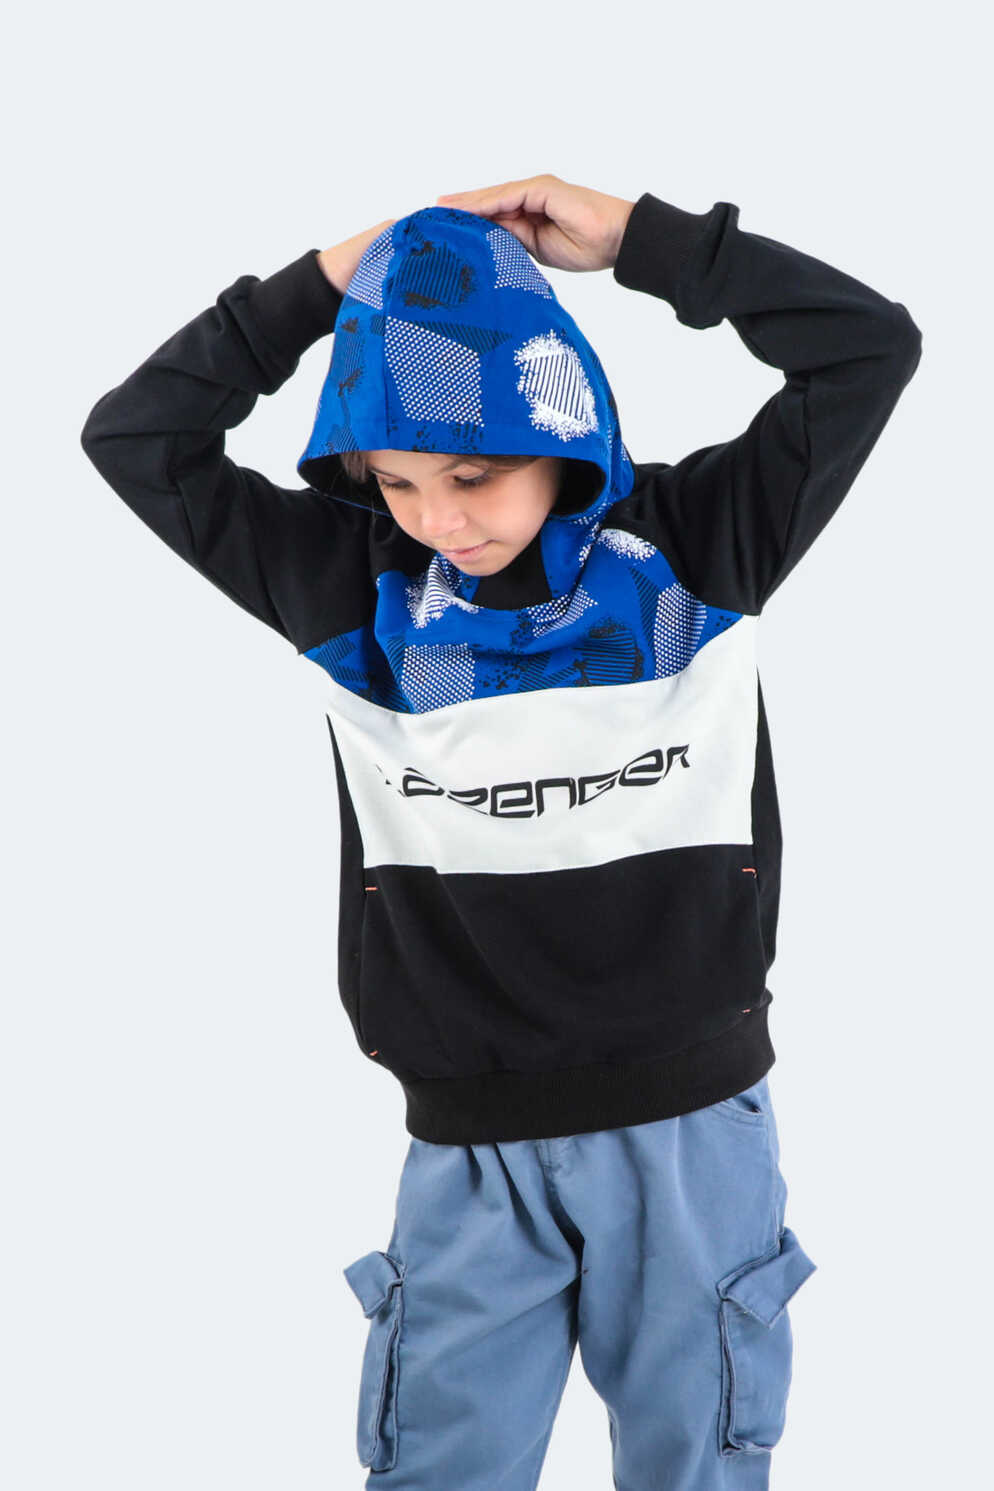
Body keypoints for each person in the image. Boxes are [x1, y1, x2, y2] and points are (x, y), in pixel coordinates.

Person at [80, 173, 922, 1489]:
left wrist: (645, 242)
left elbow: (867, 346)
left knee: (698, 1469)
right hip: (467, 1146)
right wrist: (330, 283)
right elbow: (138, 438)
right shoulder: (350, 587)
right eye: (397, 481)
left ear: (561, 428)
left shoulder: (698, 551)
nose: (439, 519)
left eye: (472, 474)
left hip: (692, 1134)